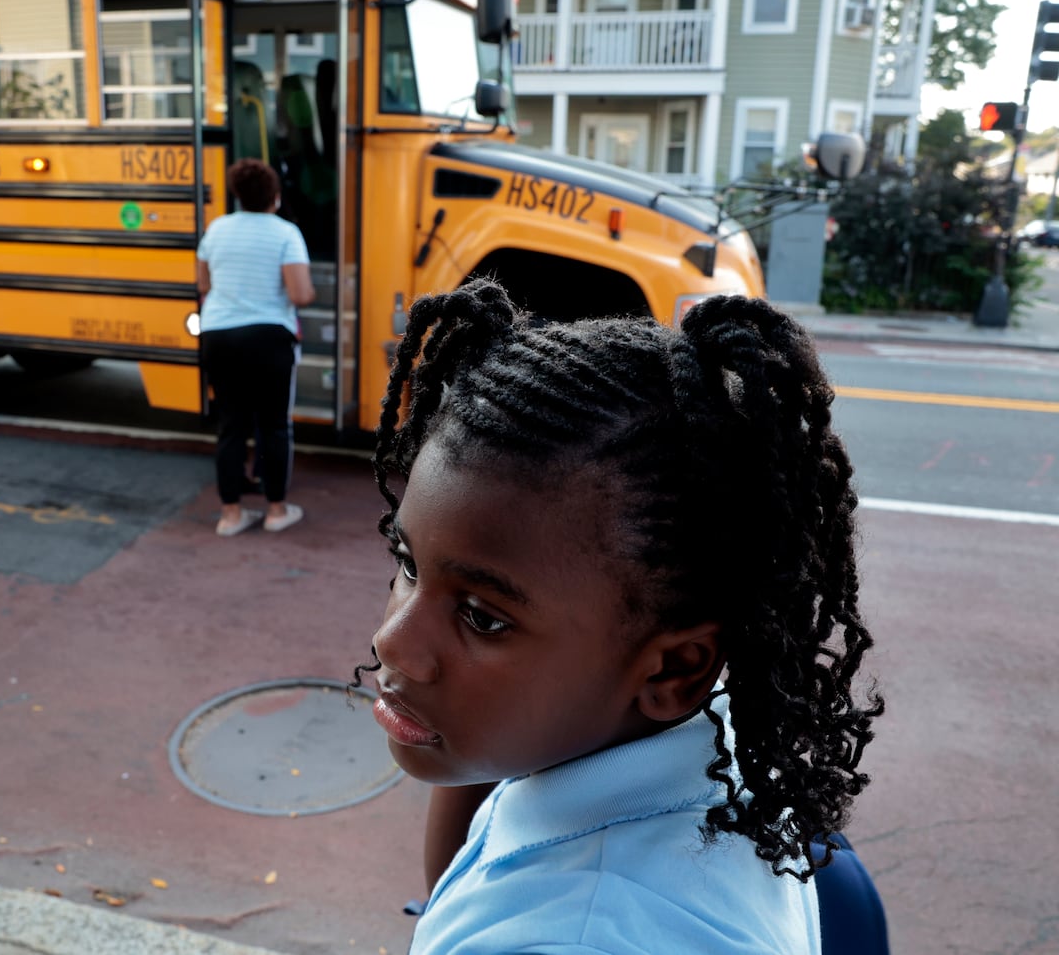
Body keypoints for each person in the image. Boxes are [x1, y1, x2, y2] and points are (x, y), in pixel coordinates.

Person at [354, 280, 883, 953]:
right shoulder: (686, 726)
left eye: (484, 618)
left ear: (673, 668)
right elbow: (465, 877)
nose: (392, 642)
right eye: (407, 561)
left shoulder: (576, 937)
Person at [196, 159, 314, 536]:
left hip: (219, 335)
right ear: (274, 198)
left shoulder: (216, 229)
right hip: (268, 338)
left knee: (231, 425)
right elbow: (299, 293)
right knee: (273, 425)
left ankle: (230, 515)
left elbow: (203, 284)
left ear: (237, 195)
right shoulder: (286, 233)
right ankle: (277, 510)